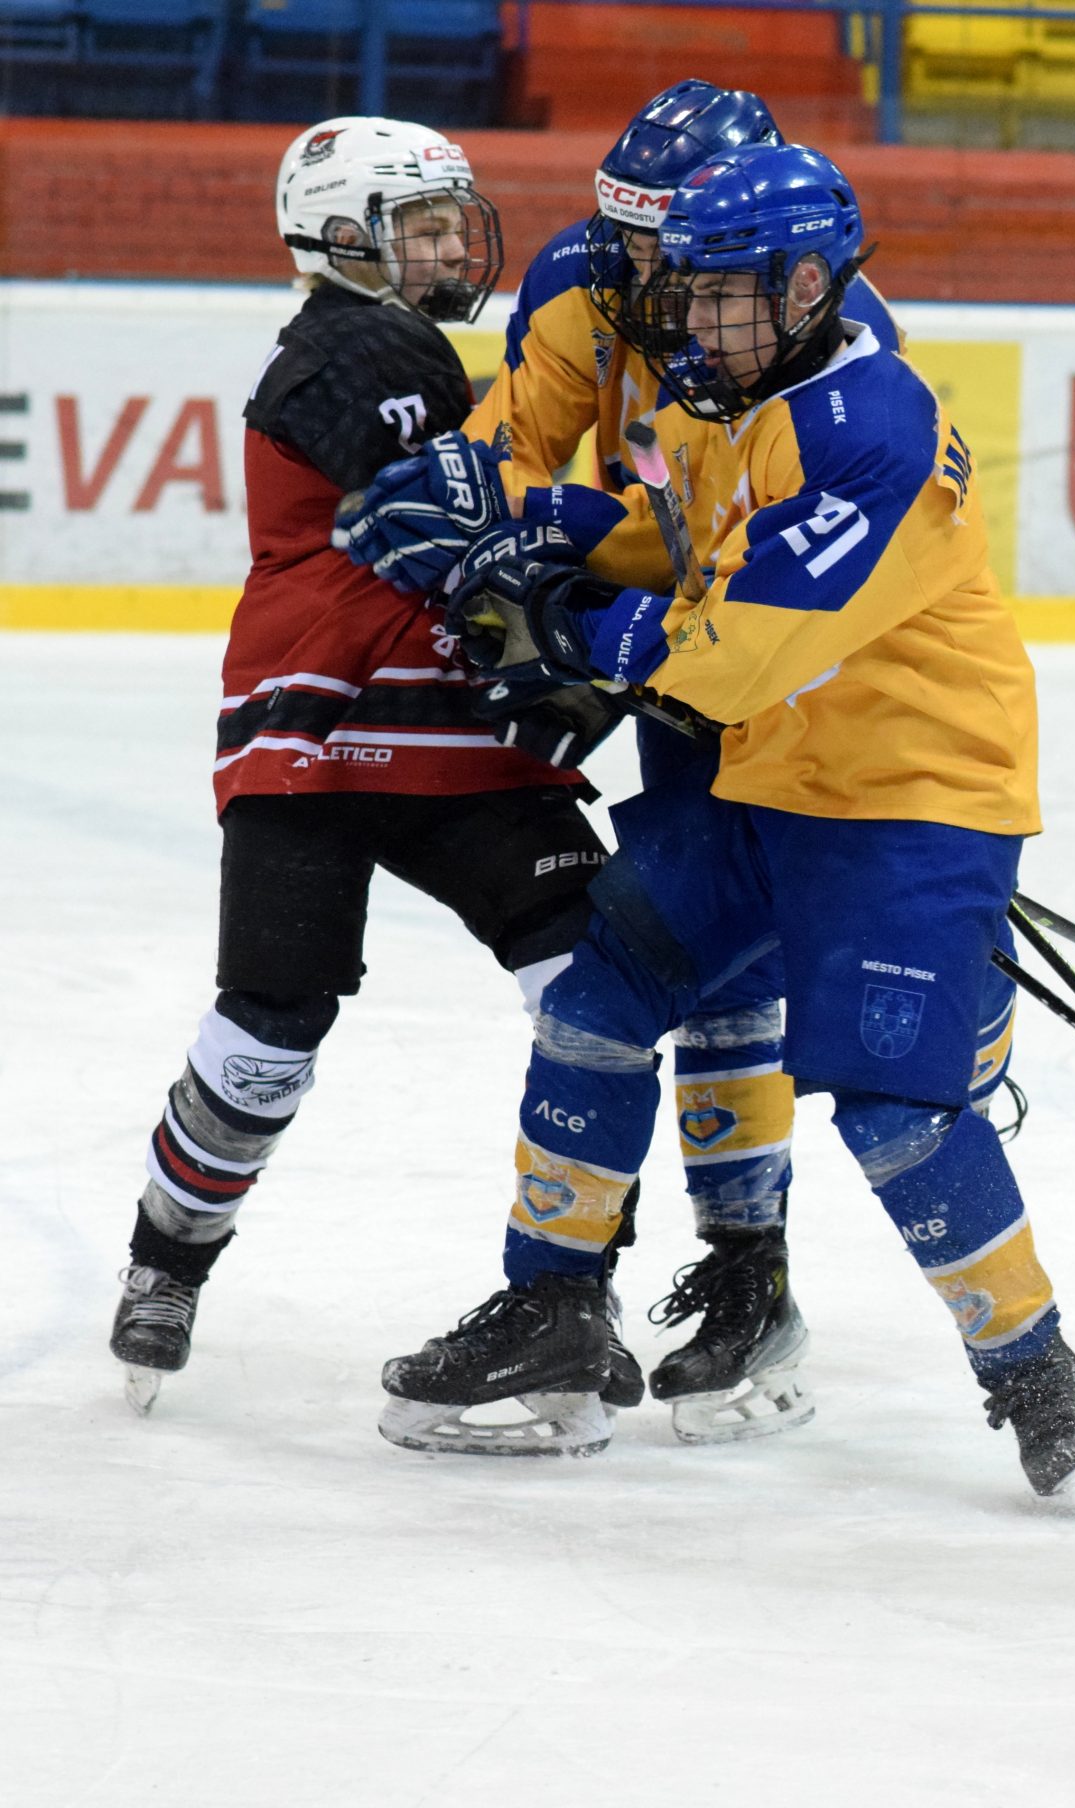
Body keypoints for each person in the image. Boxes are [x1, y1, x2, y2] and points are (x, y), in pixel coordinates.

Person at [372, 143, 1075, 1514]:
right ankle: (553, 1310)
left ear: (806, 288)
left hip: (911, 807)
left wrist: (566, 620)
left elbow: (732, 654)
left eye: (724, 294)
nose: (692, 318)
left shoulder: (874, 428)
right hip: (766, 789)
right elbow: (684, 543)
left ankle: (1041, 1380)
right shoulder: (729, 394)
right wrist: (535, 524)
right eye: (688, 291)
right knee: (598, 1001)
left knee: (898, 1111)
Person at [335, 80, 904, 1443]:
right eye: (624, 233)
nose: (638, 267)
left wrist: (598, 620)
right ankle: (659, 1291)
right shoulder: (582, 279)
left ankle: (742, 1274)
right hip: (667, 635)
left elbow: (786, 578)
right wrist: (497, 548)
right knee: (689, 970)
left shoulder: (840, 349)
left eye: (664, 241)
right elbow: (513, 455)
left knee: (730, 980)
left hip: (785, 677)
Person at [104, 117, 652, 1417]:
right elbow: (464, 513)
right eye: (426, 227)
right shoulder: (352, 351)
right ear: (341, 239)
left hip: (455, 731)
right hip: (325, 727)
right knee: (274, 1026)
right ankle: (166, 1262)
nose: (456, 246)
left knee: (591, 991)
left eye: (457, 221)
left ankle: (567, 1296)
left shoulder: (400, 347)